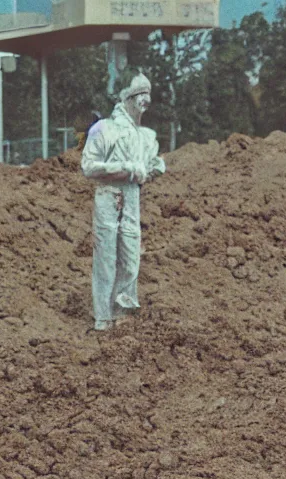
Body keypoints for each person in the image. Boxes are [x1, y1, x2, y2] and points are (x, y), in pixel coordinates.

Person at [80, 73, 166, 331]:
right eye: (140, 95)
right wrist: (126, 168)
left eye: (147, 96)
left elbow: (149, 165)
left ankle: (124, 312)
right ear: (126, 98)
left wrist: (153, 167)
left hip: (131, 196)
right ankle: (104, 319)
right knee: (106, 257)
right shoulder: (104, 129)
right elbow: (88, 167)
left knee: (130, 257)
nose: (145, 101)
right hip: (108, 193)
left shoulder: (146, 136)